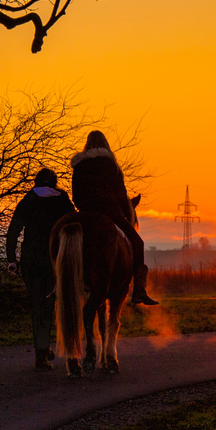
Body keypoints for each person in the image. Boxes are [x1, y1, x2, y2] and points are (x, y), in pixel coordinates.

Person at [69, 130, 159, 305]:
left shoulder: (79, 166)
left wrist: (84, 209)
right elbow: (121, 194)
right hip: (110, 213)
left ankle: (59, 281)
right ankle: (139, 291)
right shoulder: (111, 165)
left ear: (87, 145)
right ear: (105, 144)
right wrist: (124, 214)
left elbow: (76, 197)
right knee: (138, 243)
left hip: (85, 214)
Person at [6, 168, 75, 370]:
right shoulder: (62, 200)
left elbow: (13, 231)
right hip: (54, 261)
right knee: (48, 306)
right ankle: (41, 353)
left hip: (30, 261)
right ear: (54, 182)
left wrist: (12, 259)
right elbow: (73, 225)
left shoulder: (28, 200)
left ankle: (42, 349)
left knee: (38, 305)